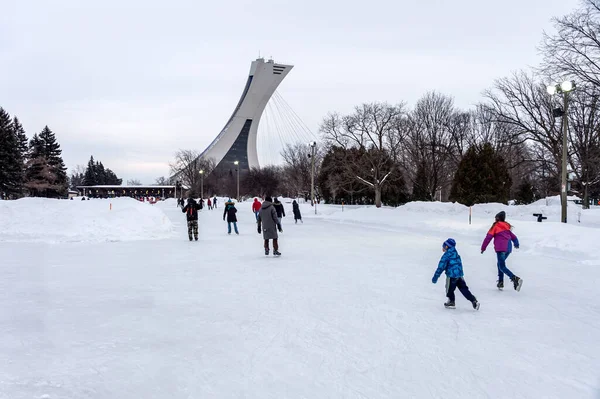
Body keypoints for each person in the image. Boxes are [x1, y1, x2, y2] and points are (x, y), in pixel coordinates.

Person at [432, 238, 480, 310]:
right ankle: (473, 300)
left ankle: (451, 301)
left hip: (451, 276)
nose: (442, 248)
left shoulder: (446, 256)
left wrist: (435, 277)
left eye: (443, 246)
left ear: (447, 247)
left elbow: (441, 267)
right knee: (464, 289)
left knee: (449, 289)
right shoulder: (455, 253)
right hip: (459, 275)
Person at [481, 211, 522, 291]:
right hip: (508, 249)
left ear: (497, 218)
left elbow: (488, 237)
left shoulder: (495, 226)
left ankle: (515, 278)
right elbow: (514, 237)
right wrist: (516, 244)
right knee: (500, 264)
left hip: (501, 248)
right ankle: (500, 282)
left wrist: (483, 248)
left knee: (501, 266)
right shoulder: (507, 226)